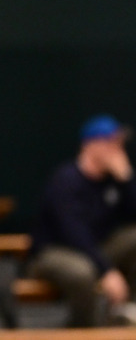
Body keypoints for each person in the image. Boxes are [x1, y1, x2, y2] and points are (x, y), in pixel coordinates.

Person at [29, 114, 136, 326]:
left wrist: (127, 180)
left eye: (119, 143)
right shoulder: (65, 180)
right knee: (82, 273)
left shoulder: (114, 180)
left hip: (96, 249)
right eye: (111, 142)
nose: (117, 149)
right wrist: (107, 271)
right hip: (55, 252)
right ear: (90, 145)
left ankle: (125, 315)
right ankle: (84, 330)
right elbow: (74, 234)